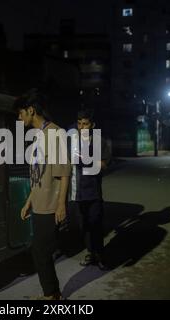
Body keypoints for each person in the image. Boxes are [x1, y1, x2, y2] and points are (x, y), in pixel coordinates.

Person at [16, 89, 71, 300]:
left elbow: (64, 173)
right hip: (38, 203)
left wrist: (61, 205)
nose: (19, 118)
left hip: (50, 205)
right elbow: (38, 173)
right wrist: (28, 201)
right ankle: (52, 293)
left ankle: (51, 295)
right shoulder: (39, 135)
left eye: (21, 113)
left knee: (40, 251)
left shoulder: (55, 133)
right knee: (40, 252)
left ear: (31, 110)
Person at [69, 109, 111, 270]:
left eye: (85, 124)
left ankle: (99, 254)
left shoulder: (99, 141)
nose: (81, 127)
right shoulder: (73, 141)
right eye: (79, 123)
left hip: (93, 192)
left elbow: (104, 164)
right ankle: (90, 253)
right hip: (77, 193)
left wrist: (88, 160)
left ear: (92, 125)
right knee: (84, 225)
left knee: (95, 224)